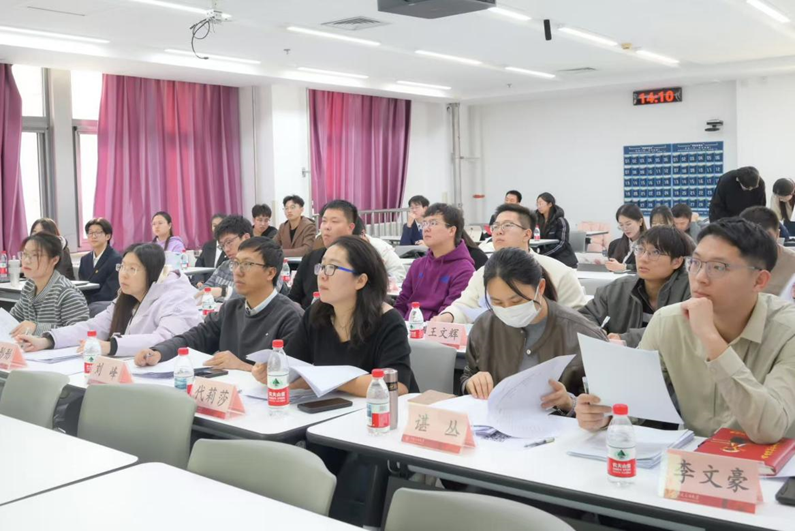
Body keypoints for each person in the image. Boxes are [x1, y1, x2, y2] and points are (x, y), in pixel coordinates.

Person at [576, 218, 795, 443]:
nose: (700, 278)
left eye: (718, 267)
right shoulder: (668, 322)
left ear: (759, 280)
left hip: (777, 461)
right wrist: (604, 415)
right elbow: (636, 401)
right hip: (694, 457)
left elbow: (768, 429)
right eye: (696, 263)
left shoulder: (788, 331)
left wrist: (710, 338)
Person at [253, 236, 416, 395]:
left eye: (332, 268)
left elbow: (396, 385)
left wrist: (326, 379)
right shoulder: (316, 314)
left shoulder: (388, 320)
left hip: (384, 410)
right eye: (322, 266)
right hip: (334, 408)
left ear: (360, 280)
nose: (322, 275)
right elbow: (293, 366)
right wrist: (272, 370)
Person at [462, 248, 605, 406]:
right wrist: (471, 382)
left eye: (516, 301)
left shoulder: (582, 333)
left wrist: (570, 403)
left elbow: (607, 403)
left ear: (541, 287)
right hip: (496, 419)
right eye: (497, 302)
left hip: (560, 421)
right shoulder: (485, 326)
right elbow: (470, 372)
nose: (507, 308)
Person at [134, 238, 303, 372]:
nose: (237, 271)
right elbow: (195, 338)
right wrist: (159, 351)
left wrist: (242, 366)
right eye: (236, 263)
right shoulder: (231, 308)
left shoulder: (290, 316)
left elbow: (291, 376)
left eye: (248, 264)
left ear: (270, 272)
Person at [18, 243, 202, 357]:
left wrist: (111, 346)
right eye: (122, 267)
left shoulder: (176, 297)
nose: (124, 274)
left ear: (152, 272)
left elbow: (165, 340)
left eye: (132, 269)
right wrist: (47, 340)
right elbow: (94, 326)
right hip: (132, 368)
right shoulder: (128, 296)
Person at [434, 204, 587, 323]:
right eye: (495, 226)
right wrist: (447, 317)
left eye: (507, 225)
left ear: (527, 234)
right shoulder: (484, 273)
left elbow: (577, 319)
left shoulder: (559, 272)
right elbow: (465, 306)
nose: (499, 231)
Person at [579, 226, 694, 347]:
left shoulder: (692, 291)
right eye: (640, 249)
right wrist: (596, 333)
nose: (643, 258)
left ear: (677, 262)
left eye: (655, 252)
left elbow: (679, 330)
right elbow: (583, 318)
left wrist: (626, 340)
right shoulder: (617, 289)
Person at [394, 203, 475, 320]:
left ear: (451, 230)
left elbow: (451, 312)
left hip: (436, 328)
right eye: (424, 223)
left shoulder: (464, 270)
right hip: (407, 326)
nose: (426, 228)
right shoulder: (418, 265)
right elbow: (401, 304)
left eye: (433, 223)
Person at [8, 232, 89, 337]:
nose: (26, 261)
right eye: (25, 254)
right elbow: (12, 319)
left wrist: (36, 328)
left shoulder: (67, 293)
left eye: (35, 255)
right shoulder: (29, 286)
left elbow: (80, 333)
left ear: (54, 260)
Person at [290, 200, 358, 308]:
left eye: (334, 221)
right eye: (324, 221)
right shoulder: (310, 258)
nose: (327, 227)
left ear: (350, 227)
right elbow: (294, 297)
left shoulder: (360, 260)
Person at [740, 206, 795, 298]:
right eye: (751, 236)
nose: (759, 242)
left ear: (777, 234)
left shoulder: (792, 263)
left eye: (767, 236)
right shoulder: (730, 260)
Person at [200, 215, 252, 301]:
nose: (226, 249)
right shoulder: (224, 266)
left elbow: (255, 294)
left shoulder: (260, 266)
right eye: (222, 245)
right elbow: (205, 288)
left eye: (229, 242)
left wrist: (223, 292)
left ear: (245, 238)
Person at [78, 217, 122, 306]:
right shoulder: (84, 259)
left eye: (98, 232)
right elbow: (82, 286)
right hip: (85, 303)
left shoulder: (116, 259)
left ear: (108, 236)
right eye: (90, 233)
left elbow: (110, 290)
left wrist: (87, 302)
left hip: (104, 304)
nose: (93, 236)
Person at [535, 193, 578, 268]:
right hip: (546, 259)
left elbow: (562, 243)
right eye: (537, 204)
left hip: (562, 260)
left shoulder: (560, 221)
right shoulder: (537, 221)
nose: (539, 206)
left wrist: (542, 255)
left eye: (541, 203)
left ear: (550, 204)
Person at [606, 203, 647, 273]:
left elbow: (649, 267)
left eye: (628, 224)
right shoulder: (614, 245)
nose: (625, 228)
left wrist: (624, 267)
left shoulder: (650, 244)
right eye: (621, 225)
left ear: (640, 222)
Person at [194, 213, 227, 286]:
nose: (216, 229)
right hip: (205, 285)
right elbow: (199, 265)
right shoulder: (208, 246)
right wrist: (199, 281)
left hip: (222, 286)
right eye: (214, 226)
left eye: (220, 226)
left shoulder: (230, 247)